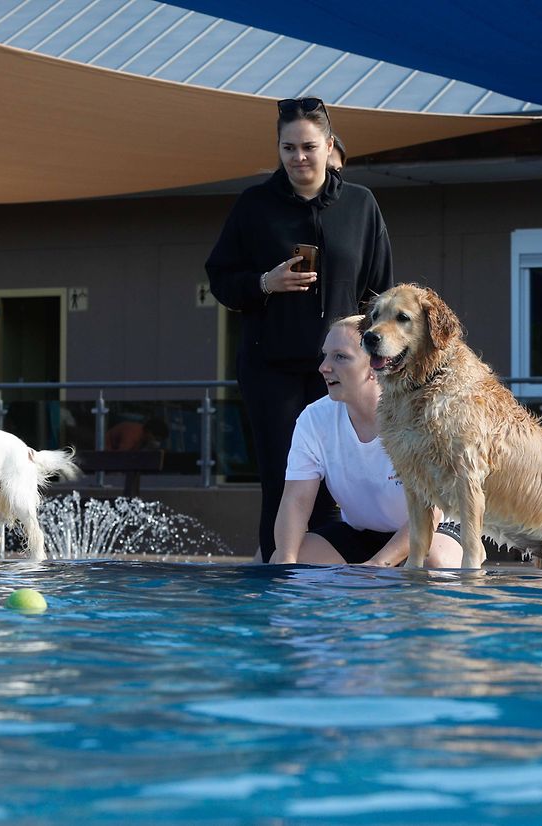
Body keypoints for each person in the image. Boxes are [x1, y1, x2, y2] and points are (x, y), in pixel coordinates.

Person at [206, 97, 394, 561]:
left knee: (339, 482)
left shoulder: (360, 204)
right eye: (288, 148)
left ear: (329, 147)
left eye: (308, 147)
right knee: (283, 479)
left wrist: (379, 360)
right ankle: (281, 585)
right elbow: (221, 279)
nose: (299, 158)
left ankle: (343, 586)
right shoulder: (255, 205)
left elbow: (382, 293)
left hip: (345, 368)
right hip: (272, 368)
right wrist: (265, 283)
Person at [268, 316, 462, 567]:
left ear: (375, 366)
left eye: (340, 357)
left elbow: (428, 514)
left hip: (434, 529)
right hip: (361, 533)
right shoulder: (314, 419)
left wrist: (378, 564)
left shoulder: (419, 419)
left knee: (433, 564)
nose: (323, 367)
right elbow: (296, 501)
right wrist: (286, 567)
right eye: (326, 355)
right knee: (286, 559)